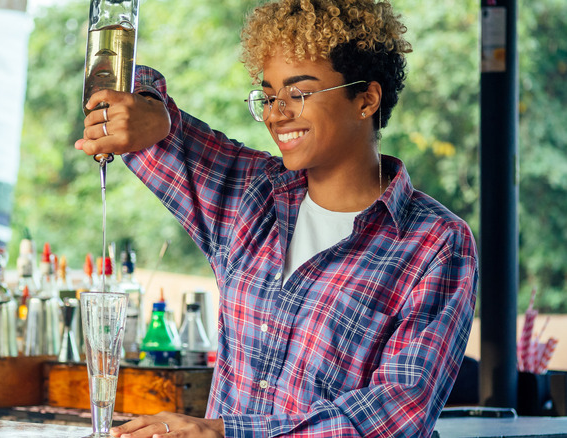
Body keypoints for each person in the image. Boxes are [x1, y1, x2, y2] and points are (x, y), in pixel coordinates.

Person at [75, 0, 478, 436]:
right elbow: (125, 82)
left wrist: (226, 432)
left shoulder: (436, 243)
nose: (275, 112)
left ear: (366, 99)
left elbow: (395, 415)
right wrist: (152, 109)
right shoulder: (251, 195)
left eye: (299, 93)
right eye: (268, 96)